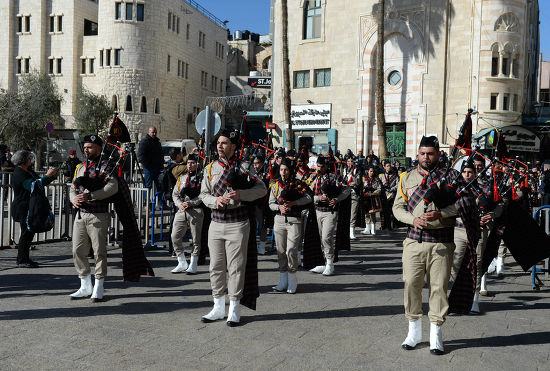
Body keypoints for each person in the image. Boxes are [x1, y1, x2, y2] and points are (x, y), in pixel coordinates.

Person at [392, 136, 458, 355]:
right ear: (417, 154)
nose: (426, 157)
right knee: (411, 284)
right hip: (414, 240)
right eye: (422, 153)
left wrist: (442, 213)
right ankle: (414, 331)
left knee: (438, 288)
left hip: (441, 242)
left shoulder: (450, 176)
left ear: (438, 153)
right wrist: (413, 219)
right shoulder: (407, 177)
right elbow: (397, 208)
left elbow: (465, 203)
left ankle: (436, 335)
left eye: (430, 153)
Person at [199, 130, 266, 326]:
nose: (220, 146)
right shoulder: (210, 168)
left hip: (238, 224)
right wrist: (215, 200)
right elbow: (203, 194)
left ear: (234, 146)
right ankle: (218, 307)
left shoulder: (244, 168)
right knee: (216, 268)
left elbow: (261, 189)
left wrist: (240, 194)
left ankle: (234, 308)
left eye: (225, 142)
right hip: (216, 223)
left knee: (236, 268)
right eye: (218, 142)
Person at [69, 135, 119, 302]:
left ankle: (99, 285)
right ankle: (85, 284)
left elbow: (112, 187)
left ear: (98, 148)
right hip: (80, 215)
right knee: (77, 250)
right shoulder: (80, 167)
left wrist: (91, 195)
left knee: (99, 252)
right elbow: (73, 188)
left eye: (90, 147)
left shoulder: (106, 166)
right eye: (85, 147)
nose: (86, 150)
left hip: (98, 215)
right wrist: (74, 199)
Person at [269, 159, 312, 293]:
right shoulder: (275, 185)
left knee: (291, 250)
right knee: (281, 251)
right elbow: (270, 203)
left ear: (290, 170)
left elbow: (309, 197)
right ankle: (283, 280)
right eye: (281, 170)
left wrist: (294, 203)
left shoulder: (298, 184)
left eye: (286, 169)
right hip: (279, 221)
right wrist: (279, 207)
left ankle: (292, 279)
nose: (283, 172)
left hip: (294, 220)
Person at [11, 150, 59, 267]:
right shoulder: (19, 173)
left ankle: (25, 258)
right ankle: (22, 260)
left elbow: (40, 183)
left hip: (31, 206)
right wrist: (48, 175)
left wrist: (52, 177)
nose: (30, 160)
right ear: (23, 160)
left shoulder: (28, 171)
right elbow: (32, 186)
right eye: (28, 158)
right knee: (26, 234)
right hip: (23, 208)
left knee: (29, 233)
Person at [309, 156, 350, 276]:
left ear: (327, 166)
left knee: (327, 237)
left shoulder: (334, 177)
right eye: (318, 166)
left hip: (330, 212)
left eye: (322, 166)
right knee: (320, 237)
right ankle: (323, 262)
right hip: (317, 210)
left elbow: (346, 189)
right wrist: (317, 198)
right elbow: (306, 193)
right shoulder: (313, 177)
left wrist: (337, 199)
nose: (319, 168)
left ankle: (330, 263)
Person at [171, 154, 204, 274]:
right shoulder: (182, 178)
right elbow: (175, 194)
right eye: (189, 163)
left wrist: (192, 202)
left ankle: (193, 263)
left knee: (196, 239)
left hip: (195, 210)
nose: (190, 165)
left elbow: (203, 194)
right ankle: (182, 261)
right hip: (182, 210)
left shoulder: (202, 178)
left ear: (197, 164)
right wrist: (179, 204)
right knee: (175, 236)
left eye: (193, 163)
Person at [137, 126, 164, 191]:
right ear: (149, 132)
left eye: (155, 132)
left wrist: (161, 164)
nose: (154, 134)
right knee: (148, 187)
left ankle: (159, 201)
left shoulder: (157, 142)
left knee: (159, 186)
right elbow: (140, 155)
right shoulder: (144, 142)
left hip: (157, 168)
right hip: (149, 169)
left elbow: (160, 154)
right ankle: (146, 200)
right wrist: (147, 165)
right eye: (153, 132)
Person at [253, 155, 269, 255]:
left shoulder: (266, 174)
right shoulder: (251, 173)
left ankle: (262, 245)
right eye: (254, 163)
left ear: (262, 163)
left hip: (262, 203)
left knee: (263, 225)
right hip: (251, 202)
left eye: (257, 163)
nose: (255, 166)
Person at [362, 165, 382, 235]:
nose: (372, 173)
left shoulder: (377, 179)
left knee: (373, 213)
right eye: (370, 171)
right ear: (367, 171)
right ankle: (367, 228)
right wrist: (364, 192)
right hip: (366, 197)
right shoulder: (364, 179)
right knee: (366, 213)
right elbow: (362, 188)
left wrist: (375, 193)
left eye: (373, 171)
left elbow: (379, 188)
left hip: (374, 197)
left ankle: (373, 229)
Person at [345, 158, 362, 239]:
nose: (350, 163)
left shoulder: (357, 171)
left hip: (354, 193)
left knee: (353, 213)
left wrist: (353, 175)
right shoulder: (343, 170)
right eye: (348, 161)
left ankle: (352, 231)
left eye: (351, 161)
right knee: (345, 213)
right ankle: (346, 231)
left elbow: (358, 182)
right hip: (345, 193)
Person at [380, 161, 398, 231]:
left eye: (389, 166)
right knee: (384, 211)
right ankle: (384, 226)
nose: (388, 167)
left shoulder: (395, 175)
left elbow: (398, 185)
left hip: (392, 195)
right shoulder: (381, 176)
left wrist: (392, 189)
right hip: (384, 195)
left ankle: (392, 226)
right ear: (384, 167)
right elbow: (379, 184)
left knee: (391, 211)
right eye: (387, 166)